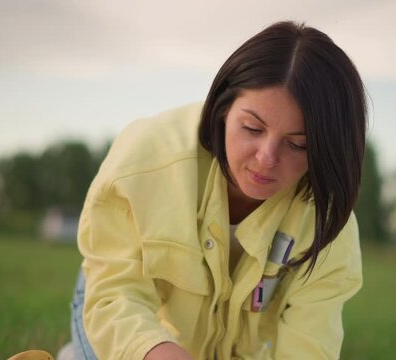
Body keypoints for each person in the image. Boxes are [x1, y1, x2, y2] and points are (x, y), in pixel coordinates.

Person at [71, 20, 366, 360]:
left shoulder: (328, 228)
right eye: (252, 128)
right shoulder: (143, 162)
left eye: (298, 145)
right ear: (224, 108)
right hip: (124, 317)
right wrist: (157, 352)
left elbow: (308, 349)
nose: (267, 158)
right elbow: (114, 296)